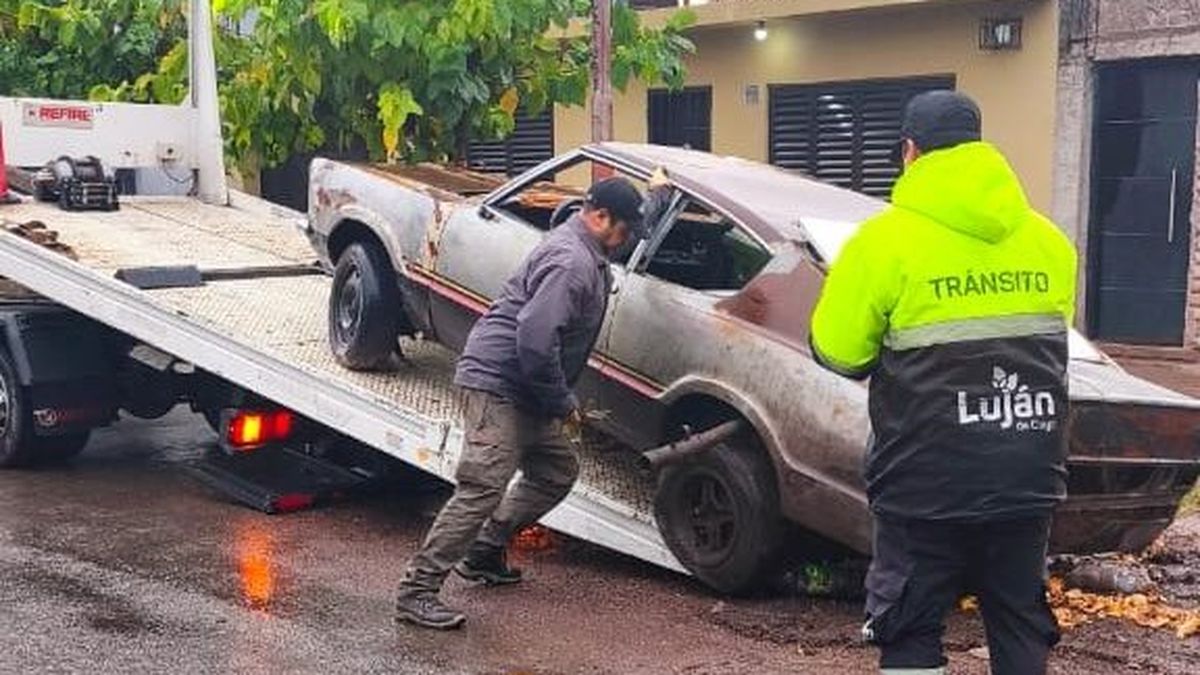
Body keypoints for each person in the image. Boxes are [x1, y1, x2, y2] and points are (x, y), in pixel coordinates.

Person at [809, 91, 1077, 675]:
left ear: (909, 152)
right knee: (1019, 625)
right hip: (1027, 474)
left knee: (909, 625)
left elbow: (838, 352)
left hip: (923, 482)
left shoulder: (881, 244)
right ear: (980, 148)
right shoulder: (1050, 242)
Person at [395, 173, 661, 630]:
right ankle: (416, 591)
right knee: (482, 486)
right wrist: (562, 402)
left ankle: (482, 551)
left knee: (556, 471)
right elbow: (536, 343)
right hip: (498, 383)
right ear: (599, 218)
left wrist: (657, 194)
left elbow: (632, 216)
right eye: (624, 231)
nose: (626, 240)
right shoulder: (571, 262)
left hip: (524, 388)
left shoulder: (587, 246)